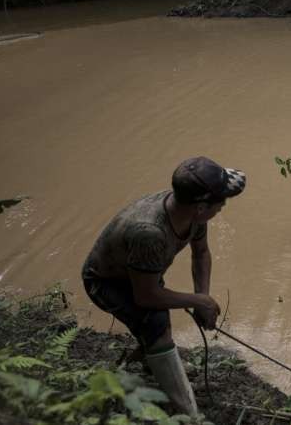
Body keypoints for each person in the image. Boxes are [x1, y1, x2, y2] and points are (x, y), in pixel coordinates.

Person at [82, 156, 246, 416]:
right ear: (201, 206)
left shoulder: (192, 214)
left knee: (154, 322)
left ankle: (148, 362)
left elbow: (201, 253)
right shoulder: (150, 233)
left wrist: (202, 296)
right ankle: (187, 412)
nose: (224, 205)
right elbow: (146, 296)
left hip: (139, 272)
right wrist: (198, 302)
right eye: (221, 201)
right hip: (106, 282)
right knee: (157, 324)